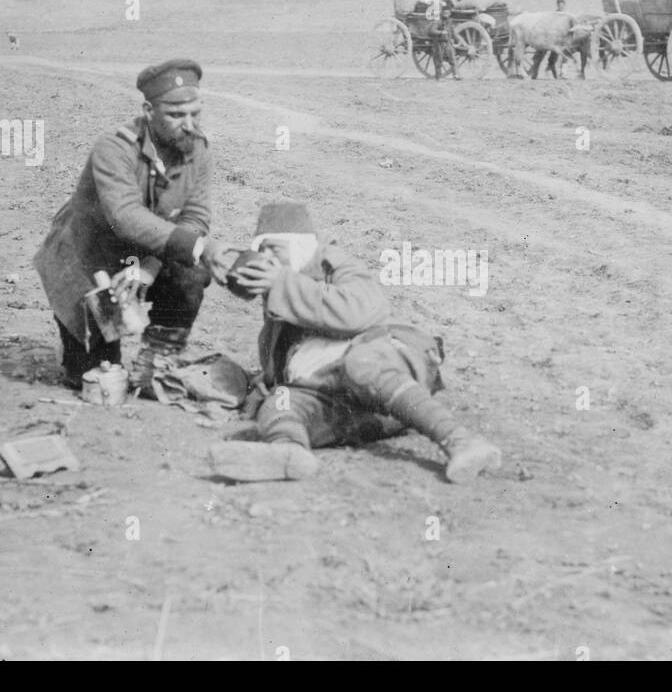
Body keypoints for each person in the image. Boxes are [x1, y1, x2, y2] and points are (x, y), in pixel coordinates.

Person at [207, 202, 502, 484]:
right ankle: (287, 452)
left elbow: (358, 312)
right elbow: (279, 365)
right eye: (261, 250)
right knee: (281, 404)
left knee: (361, 364)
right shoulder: (282, 288)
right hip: (350, 406)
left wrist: (281, 283)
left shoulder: (335, 265)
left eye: (274, 248)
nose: (267, 258)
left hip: (384, 380)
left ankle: (461, 441)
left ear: (299, 246)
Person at [33, 59, 240, 391]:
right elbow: (125, 215)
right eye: (176, 115)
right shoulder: (114, 148)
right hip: (88, 258)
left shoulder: (197, 149)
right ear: (149, 110)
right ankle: (85, 349)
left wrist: (149, 267)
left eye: (195, 113)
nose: (188, 124)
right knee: (93, 377)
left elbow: (195, 218)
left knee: (190, 270)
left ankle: (157, 360)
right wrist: (202, 247)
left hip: (144, 254)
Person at [423, 0, 459, 81]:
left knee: (452, 59)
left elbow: (453, 32)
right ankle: (438, 77)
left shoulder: (449, 21)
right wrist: (440, 33)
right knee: (438, 60)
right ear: (442, 13)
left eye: (448, 13)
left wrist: (459, 41)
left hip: (448, 43)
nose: (447, 14)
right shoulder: (437, 20)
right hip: (439, 43)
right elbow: (432, 30)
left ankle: (456, 75)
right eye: (445, 13)